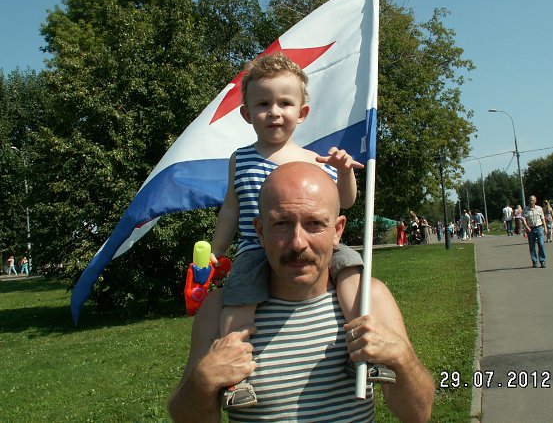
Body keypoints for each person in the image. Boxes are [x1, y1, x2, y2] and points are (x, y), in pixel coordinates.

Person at [168, 162, 435, 423]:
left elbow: (418, 414)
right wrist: (202, 381)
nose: (297, 243)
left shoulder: (369, 299)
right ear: (260, 231)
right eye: (281, 224)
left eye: (314, 223)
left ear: (337, 230)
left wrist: (402, 358)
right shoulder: (219, 309)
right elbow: (185, 417)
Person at [207, 53, 392, 409]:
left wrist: (345, 172)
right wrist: (217, 250)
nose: (274, 112)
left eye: (284, 103)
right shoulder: (240, 159)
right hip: (254, 249)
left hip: (317, 245)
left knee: (351, 272)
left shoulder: (314, 160)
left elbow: (345, 201)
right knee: (238, 303)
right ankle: (236, 379)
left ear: (302, 112)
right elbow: (231, 208)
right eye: (263, 104)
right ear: (246, 114)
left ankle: (363, 352)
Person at [522, 195, 548, 268]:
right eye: (530, 200)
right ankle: (534, 261)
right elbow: (523, 219)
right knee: (532, 246)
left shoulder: (539, 208)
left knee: (541, 244)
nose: (531, 201)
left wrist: (545, 228)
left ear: (535, 201)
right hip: (530, 229)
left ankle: (542, 261)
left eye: (532, 200)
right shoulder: (525, 209)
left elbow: (542, 218)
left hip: (539, 227)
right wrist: (526, 228)